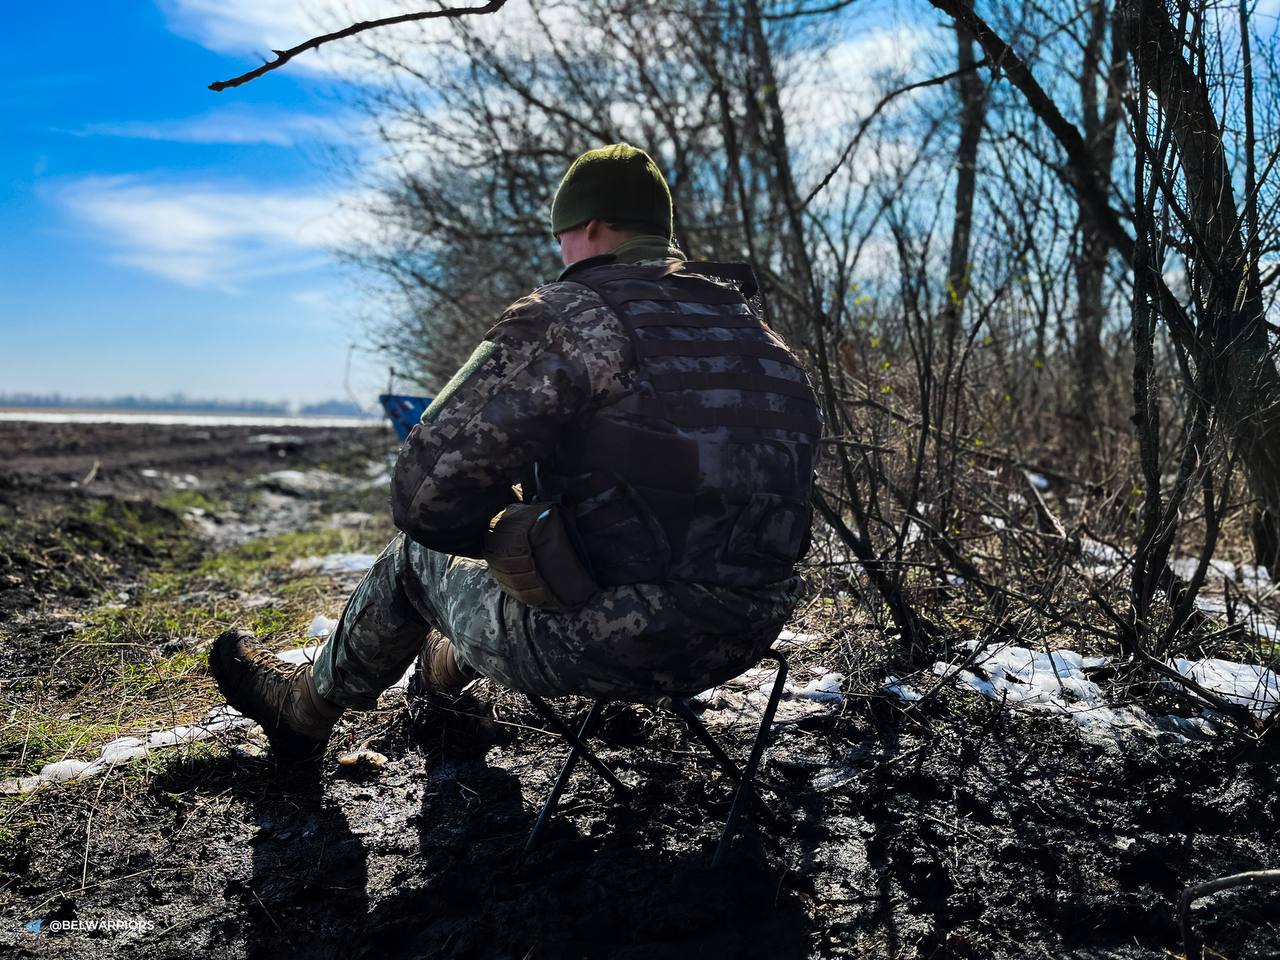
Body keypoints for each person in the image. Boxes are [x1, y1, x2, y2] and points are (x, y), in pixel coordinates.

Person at [210, 143, 821, 760]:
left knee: (417, 559)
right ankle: (439, 680)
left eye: (563, 237)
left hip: (618, 642)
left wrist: (509, 530)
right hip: (750, 631)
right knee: (545, 553)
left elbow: (423, 493)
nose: (562, 253)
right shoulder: (760, 338)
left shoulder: (573, 317)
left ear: (587, 228)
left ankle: (303, 713)